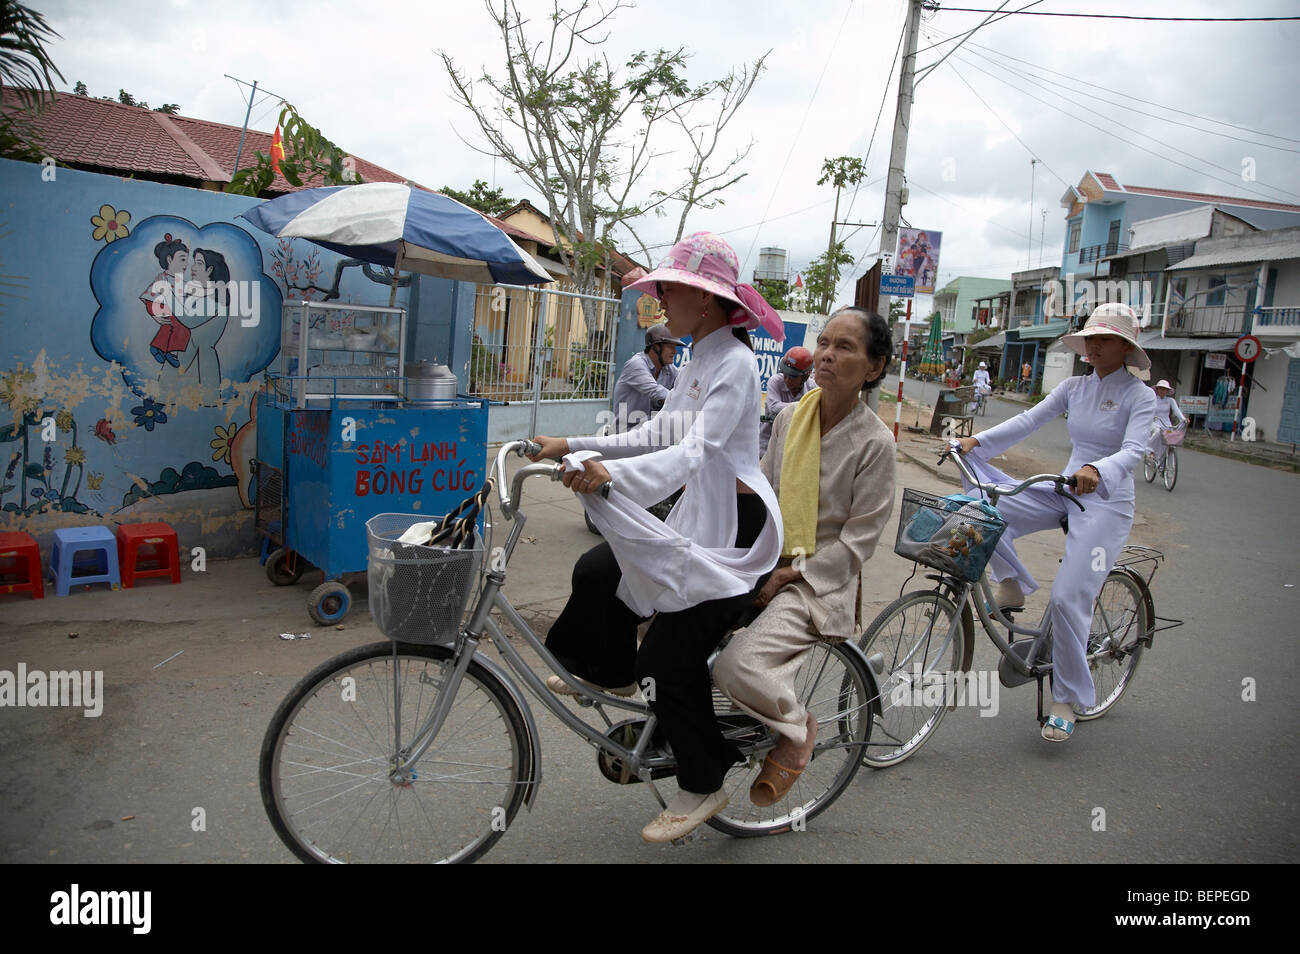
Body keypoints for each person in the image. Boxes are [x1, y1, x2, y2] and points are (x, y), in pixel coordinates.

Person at [528, 231, 783, 843]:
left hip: (732, 532)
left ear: (706, 298)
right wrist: (573, 446)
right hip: (696, 515)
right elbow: (656, 434)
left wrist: (608, 476)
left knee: (669, 657)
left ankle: (704, 780)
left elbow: (694, 452)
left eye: (669, 288)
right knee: (596, 572)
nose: (661, 298)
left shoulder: (738, 366)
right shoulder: (700, 358)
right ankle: (609, 670)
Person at [713, 307, 896, 806]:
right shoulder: (792, 416)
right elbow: (761, 489)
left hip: (818, 581)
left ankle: (797, 728)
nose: (827, 355)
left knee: (736, 667)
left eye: (845, 348)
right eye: (825, 342)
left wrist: (790, 573)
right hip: (766, 556)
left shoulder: (876, 443)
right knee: (670, 605)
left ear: (874, 367)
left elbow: (859, 542)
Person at [954, 302, 1156, 743]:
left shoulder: (1142, 397)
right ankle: (1012, 583)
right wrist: (975, 441)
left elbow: (1135, 450)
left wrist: (1099, 470)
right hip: (1065, 489)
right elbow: (1029, 419)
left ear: (1125, 347)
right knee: (980, 502)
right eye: (1090, 337)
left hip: (1105, 502)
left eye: (1103, 338)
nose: (1092, 345)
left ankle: (1066, 699)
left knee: (1067, 599)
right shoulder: (1074, 388)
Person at [610, 323, 685, 433]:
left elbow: (682, 387)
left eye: (675, 347)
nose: (674, 351)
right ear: (655, 347)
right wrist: (683, 400)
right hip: (625, 432)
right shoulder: (636, 365)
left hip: (650, 433)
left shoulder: (669, 369)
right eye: (670, 346)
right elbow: (657, 391)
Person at [759, 346, 814, 456]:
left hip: (793, 449)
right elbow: (774, 408)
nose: (787, 380)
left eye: (793, 377)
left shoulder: (812, 388)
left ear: (805, 377)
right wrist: (805, 406)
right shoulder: (775, 381)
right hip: (766, 446)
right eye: (785, 375)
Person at [1147, 379, 1186, 468]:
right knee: (1157, 432)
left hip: (1166, 424)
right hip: (1154, 422)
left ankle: (1162, 463)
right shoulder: (1153, 399)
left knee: (1167, 441)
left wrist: (1183, 419)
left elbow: (1176, 411)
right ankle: (1150, 451)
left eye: (1164, 389)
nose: (1162, 391)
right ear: (1157, 389)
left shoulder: (1170, 401)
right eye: (1160, 388)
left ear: (1167, 391)